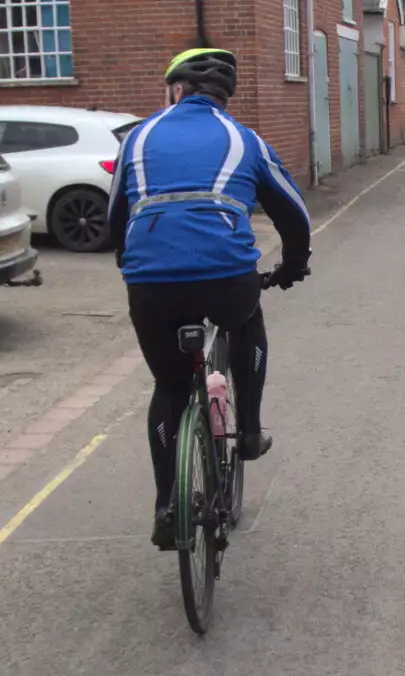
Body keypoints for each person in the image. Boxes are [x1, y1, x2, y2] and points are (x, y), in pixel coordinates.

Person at [108, 47, 312, 549]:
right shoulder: (244, 139)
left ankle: (166, 506)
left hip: (151, 284)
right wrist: (292, 266)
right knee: (246, 319)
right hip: (225, 276)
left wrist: (133, 265)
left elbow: (116, 215)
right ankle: (247, 432)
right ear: (224, 99)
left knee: (171, 387)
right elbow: (293, 214)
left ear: (175, 91)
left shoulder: (138, 137)